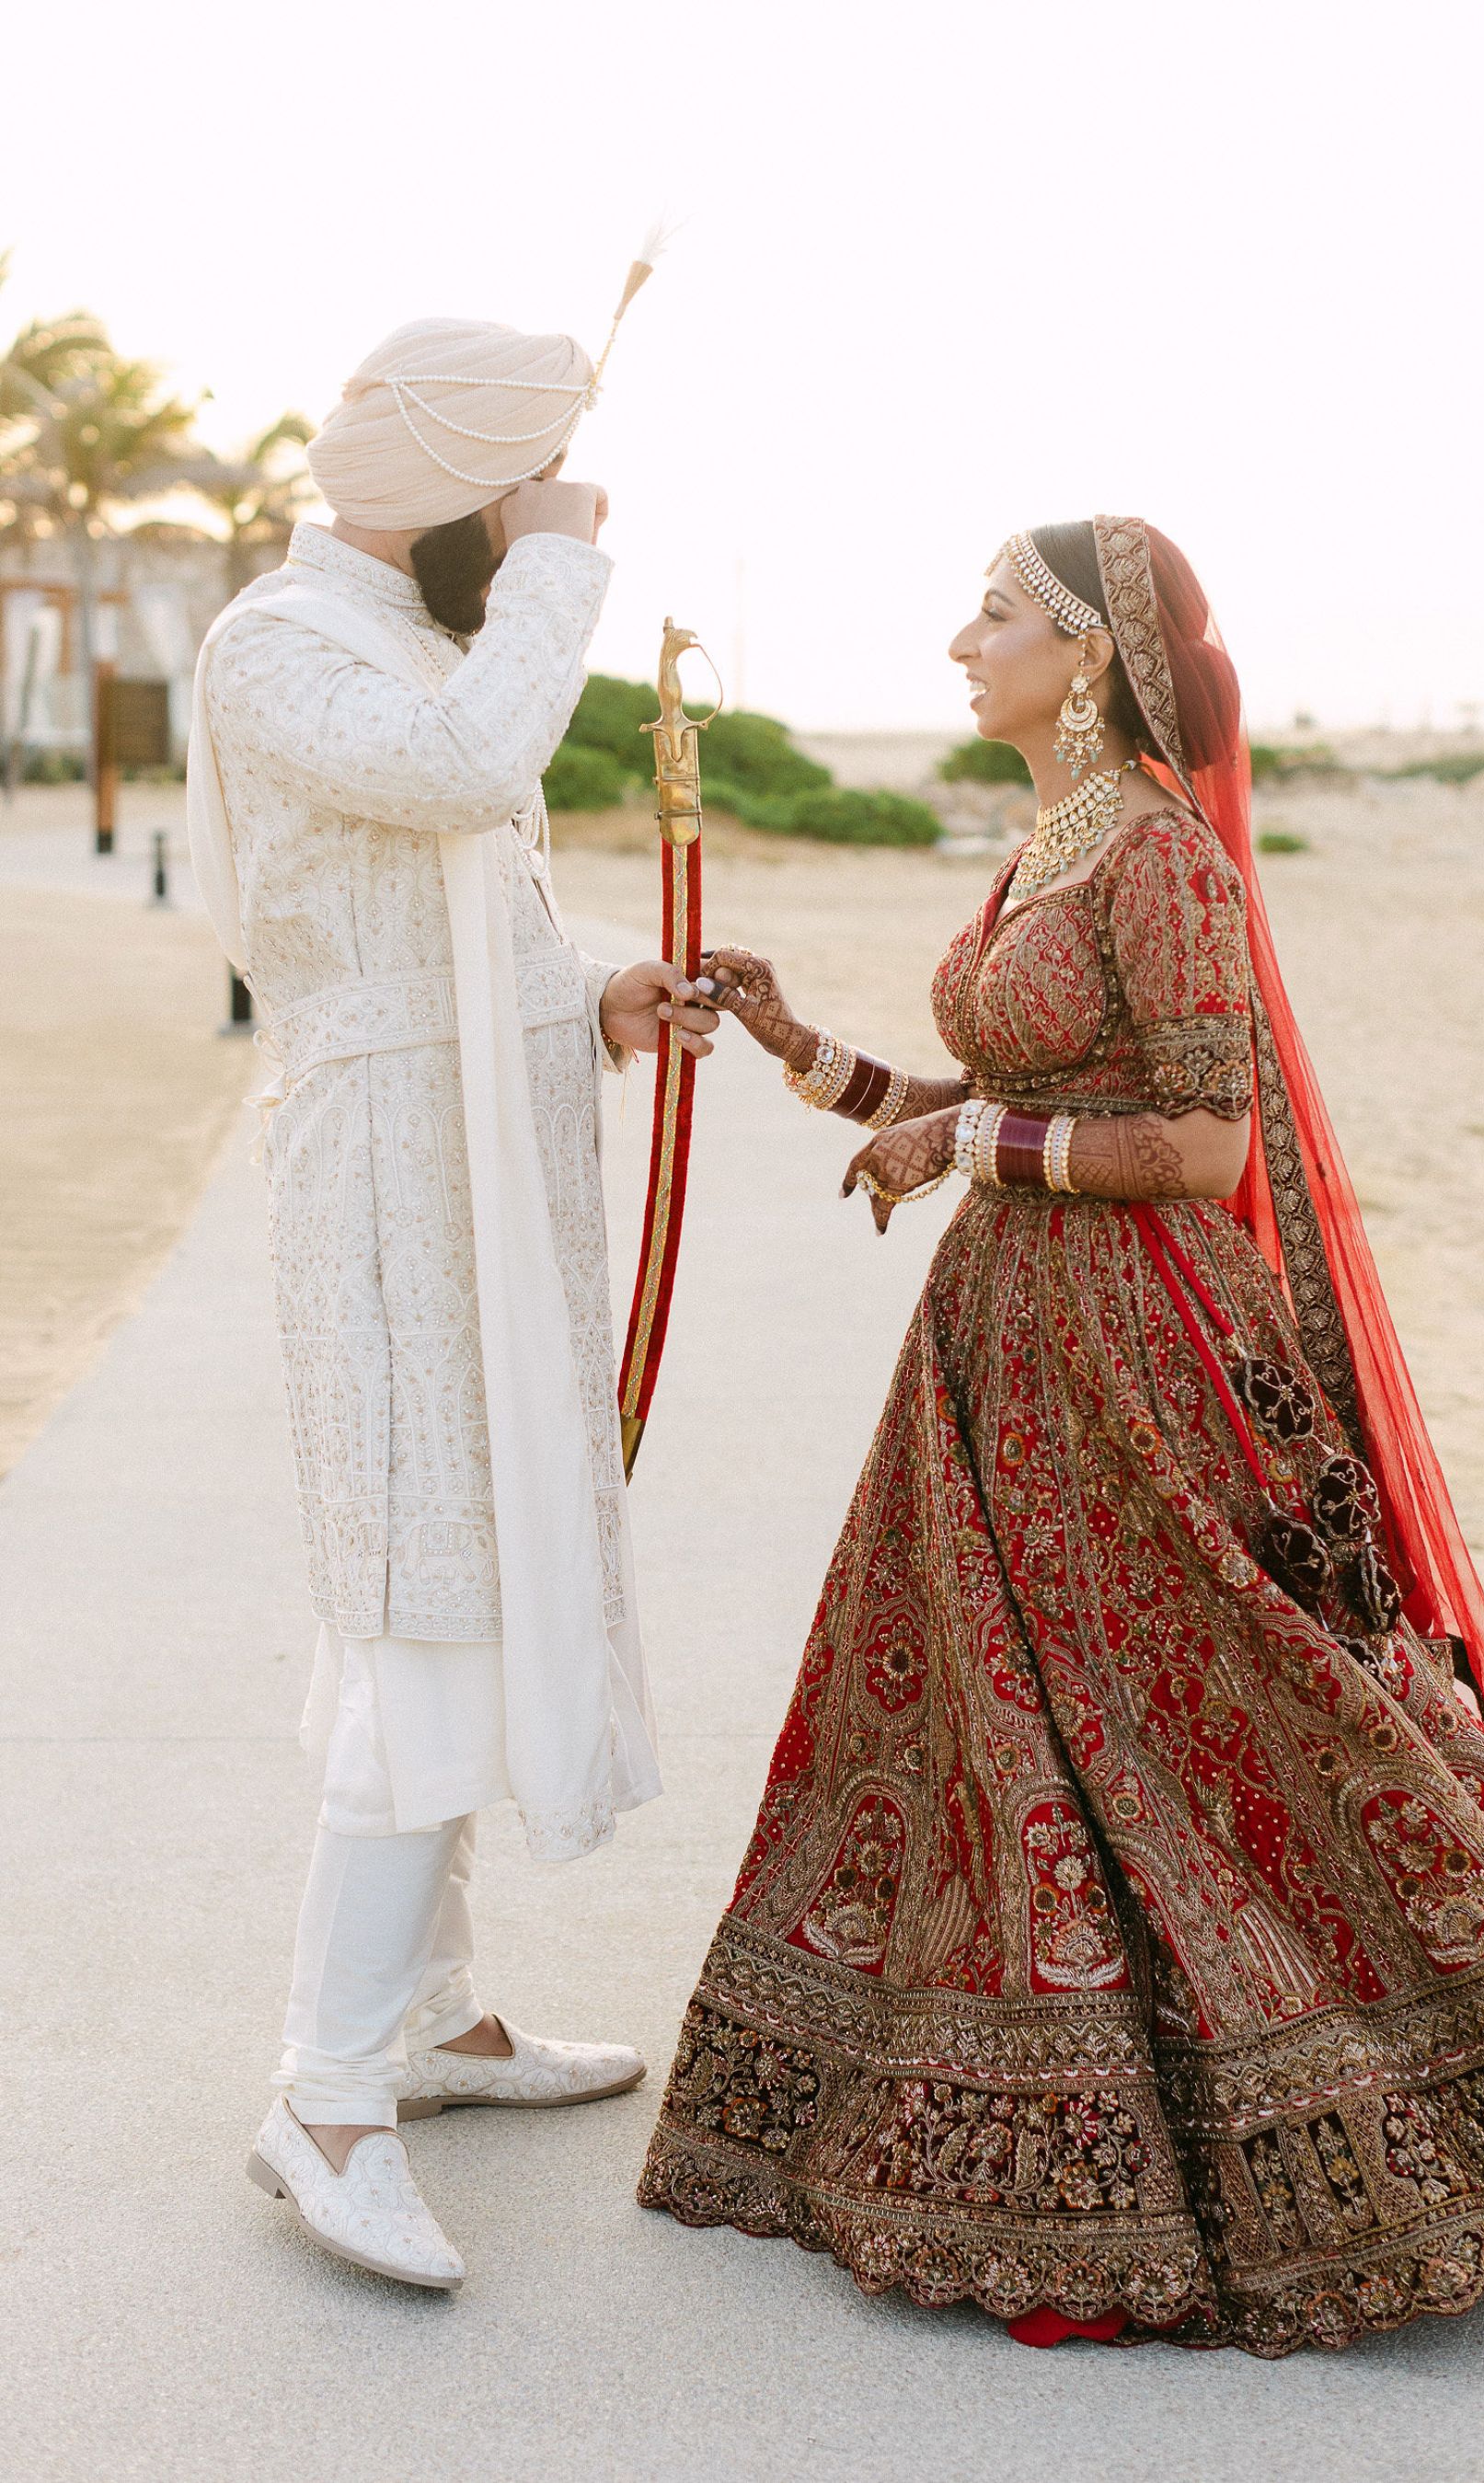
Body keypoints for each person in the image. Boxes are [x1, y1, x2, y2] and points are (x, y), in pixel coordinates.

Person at [638, 515, 1484, 2354]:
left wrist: (963, 1142)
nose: (961, 644)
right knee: (1012, 1723)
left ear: (1092, 654)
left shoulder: (1166, 854)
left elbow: (1200, 1145)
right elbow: (1000, 1093)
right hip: (1005, 1348)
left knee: (1226, 1704)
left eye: (996, 616)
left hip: (1141, 1347)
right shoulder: (1051, 840)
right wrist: (801, 1047)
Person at [188, 315, 719, 2292]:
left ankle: (433, 2017)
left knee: (472, 1579)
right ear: (451, 494)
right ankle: (325, 2097)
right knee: (423, 1593)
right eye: (519, 496)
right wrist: (570, 565)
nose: (541, 525)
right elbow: (464, 772)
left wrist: (592, 1001)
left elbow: (445, 908)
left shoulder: (407, 638)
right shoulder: (279, 643)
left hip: (474, 1167)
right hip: (389, 1191)